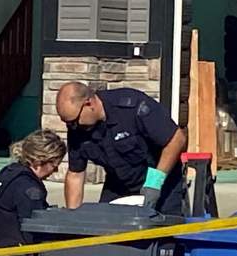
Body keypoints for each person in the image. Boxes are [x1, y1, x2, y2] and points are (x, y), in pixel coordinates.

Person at [56, 82, 188, 215]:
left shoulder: (132, 107)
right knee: (103, 228)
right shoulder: (77, 130)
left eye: (74, 121)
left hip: (160, 180)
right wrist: (72, 216)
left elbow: (177, 139)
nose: (72, 127)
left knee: (162, 230)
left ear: (89, 103)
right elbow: (75, 174)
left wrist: (155, 182)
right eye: (68, 123)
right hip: (119, 184)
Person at [0, 129, 67, 256]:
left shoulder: (9, 173)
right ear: (40, 160)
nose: (56, 170)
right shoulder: (28, 189)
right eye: (54, 164)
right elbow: (35, 233)